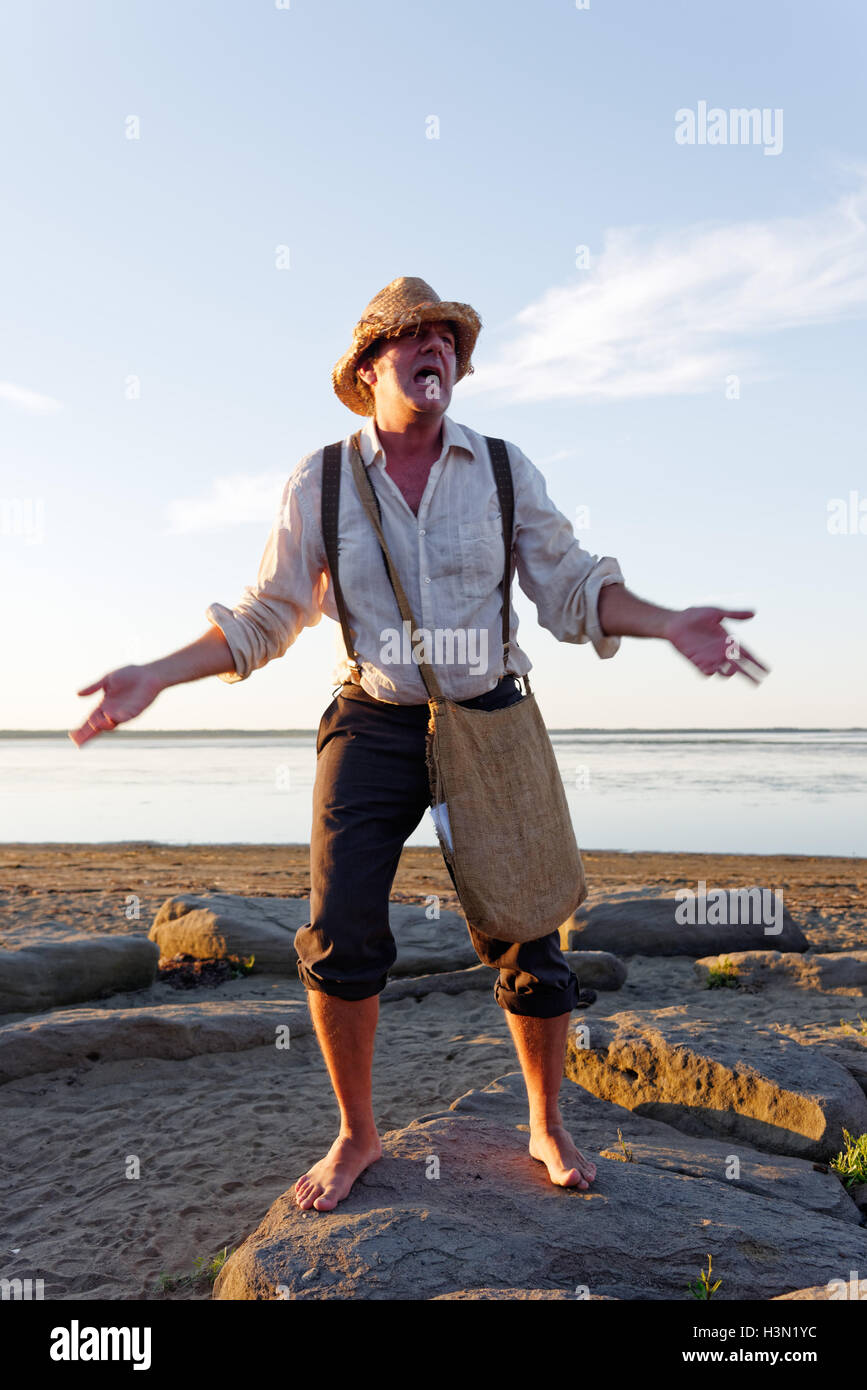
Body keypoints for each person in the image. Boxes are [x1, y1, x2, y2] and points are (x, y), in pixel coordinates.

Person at [70, 275, 767, 1214]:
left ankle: (545, 1121)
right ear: (369, 369)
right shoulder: (320, 480)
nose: (435, 348)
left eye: (446, 339)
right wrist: (156, 671)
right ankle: (358, 1133)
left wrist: (666, 620)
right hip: (373, 718)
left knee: (528, 935)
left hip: (489, 718)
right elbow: (269, 613)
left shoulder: (504, 468)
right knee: (341, 930)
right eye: (412, 337)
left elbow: (571, 588)